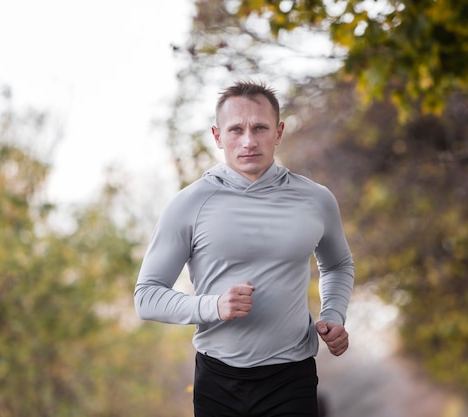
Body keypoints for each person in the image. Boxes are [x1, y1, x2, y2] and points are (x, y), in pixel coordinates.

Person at [134, 80, 354, 417]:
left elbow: (337, 264)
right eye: (236, 129)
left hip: (291, 378)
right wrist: (214, 306)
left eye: (260, 128)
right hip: (218, 380)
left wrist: (333, 315)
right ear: (217, 136)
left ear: (278, 132)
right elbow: (147, 296)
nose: (248, 141)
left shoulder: (316, 199)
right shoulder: (189, 203)